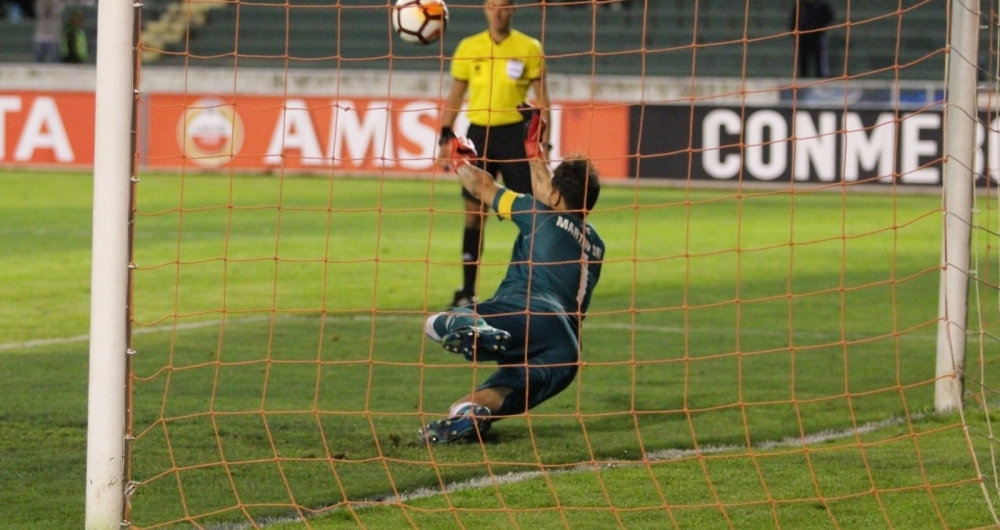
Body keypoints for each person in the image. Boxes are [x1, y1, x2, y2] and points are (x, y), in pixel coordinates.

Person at [419, 125, 604, 445]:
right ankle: (468, 417)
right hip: (565, 351)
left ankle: (477, 327)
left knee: (434, 323)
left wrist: (460, 160)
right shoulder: (596, 245)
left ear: (556, 196)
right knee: (479, 400)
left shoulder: (538, 213)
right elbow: (551, 188)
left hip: (531, 310)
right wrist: (537, 157)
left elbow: (483, 186)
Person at [437, 0, 552, 308]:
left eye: (503, 6)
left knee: (531, 216)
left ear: (513, 9)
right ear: (485, 10)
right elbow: (456, 94)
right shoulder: (468, 46)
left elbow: (542, 99)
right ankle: (468, 291)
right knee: (474, 215)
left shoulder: (529, 47)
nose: (497, 12)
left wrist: (544, 142)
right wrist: (444, 133)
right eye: (492, 6)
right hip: (479, 136)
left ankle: (535, 287)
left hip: (515, 136)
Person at [790, 0, 834, 78]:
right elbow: (793, 20)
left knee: (819, 62)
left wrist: (819, 27)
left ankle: (821, 80)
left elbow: (829, 16)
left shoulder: (821, 5)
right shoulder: (801, 5)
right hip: (803, 39)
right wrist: (794, 34)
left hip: (817, 38)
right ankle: (802, 81)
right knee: (803, 62)